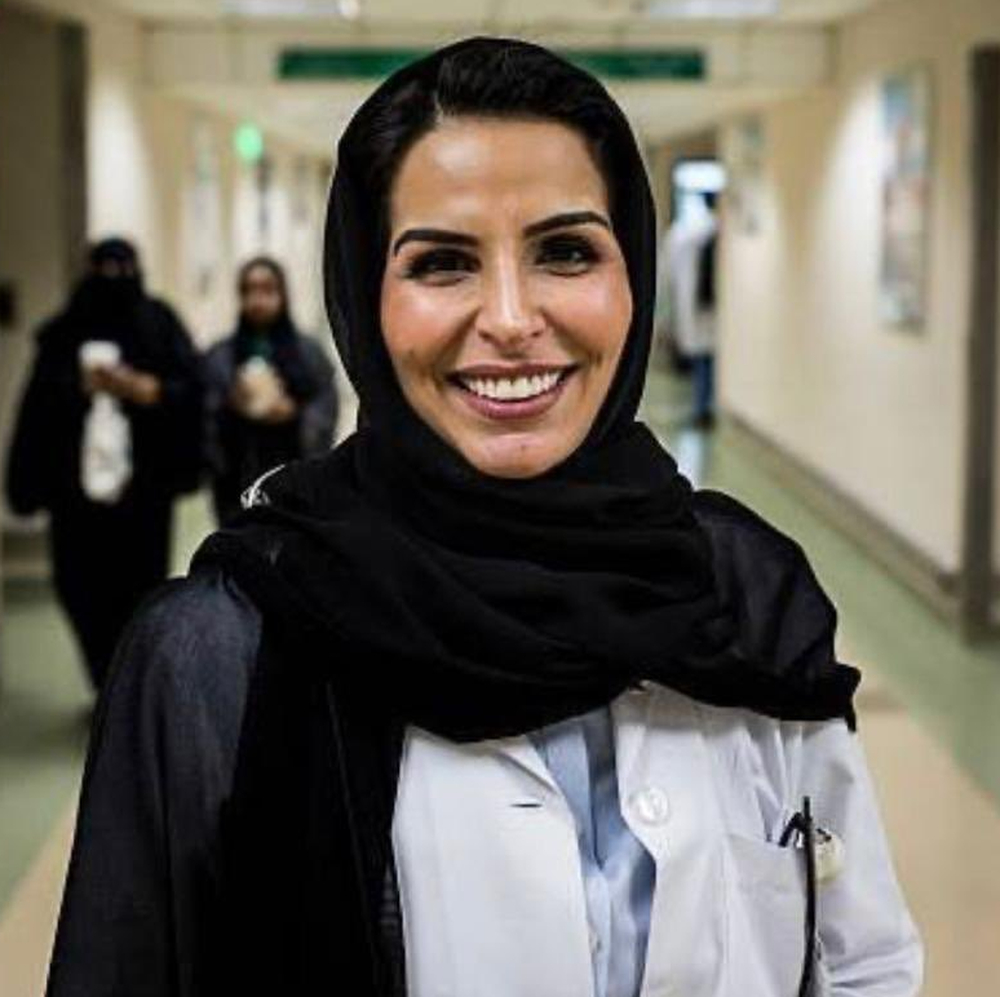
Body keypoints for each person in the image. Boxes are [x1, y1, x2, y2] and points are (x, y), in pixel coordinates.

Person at [46, 40, 922, 997]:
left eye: (566, 251)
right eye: (442, 262)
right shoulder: (220, 653)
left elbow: (863, 959)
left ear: (632, 277)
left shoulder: (743, 593)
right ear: (364, 298)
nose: (509, 318)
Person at [6, 238, 202, 691]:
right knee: (79, 588)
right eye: (104, 269)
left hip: (144, 492)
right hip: (73, 496)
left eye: (122, 268)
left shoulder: (159, 324)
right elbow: (37, 408)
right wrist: (77, 388)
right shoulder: (63, 332)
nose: (113, 279)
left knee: (141, 592)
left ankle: (128, 686)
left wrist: (147, 391)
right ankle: (103, 680)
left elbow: (189, 389)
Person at [202, 256, 338, 523]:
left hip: (294, 477)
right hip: (236, 481)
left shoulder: (308, 353)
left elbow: (325, 405)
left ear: (282, 294)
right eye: (249, 290)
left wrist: (292, 414)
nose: (258, 300)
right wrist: (233, 406)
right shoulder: (221, 355)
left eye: (267, 289)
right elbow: (206, 416)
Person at [662, 189, 718, 428]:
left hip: (700, 311)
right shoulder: (697, 232)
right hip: (701, 311)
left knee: (704, 362)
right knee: (704, 362)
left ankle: (702, 408)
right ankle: (702, 408)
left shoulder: (687, 232)